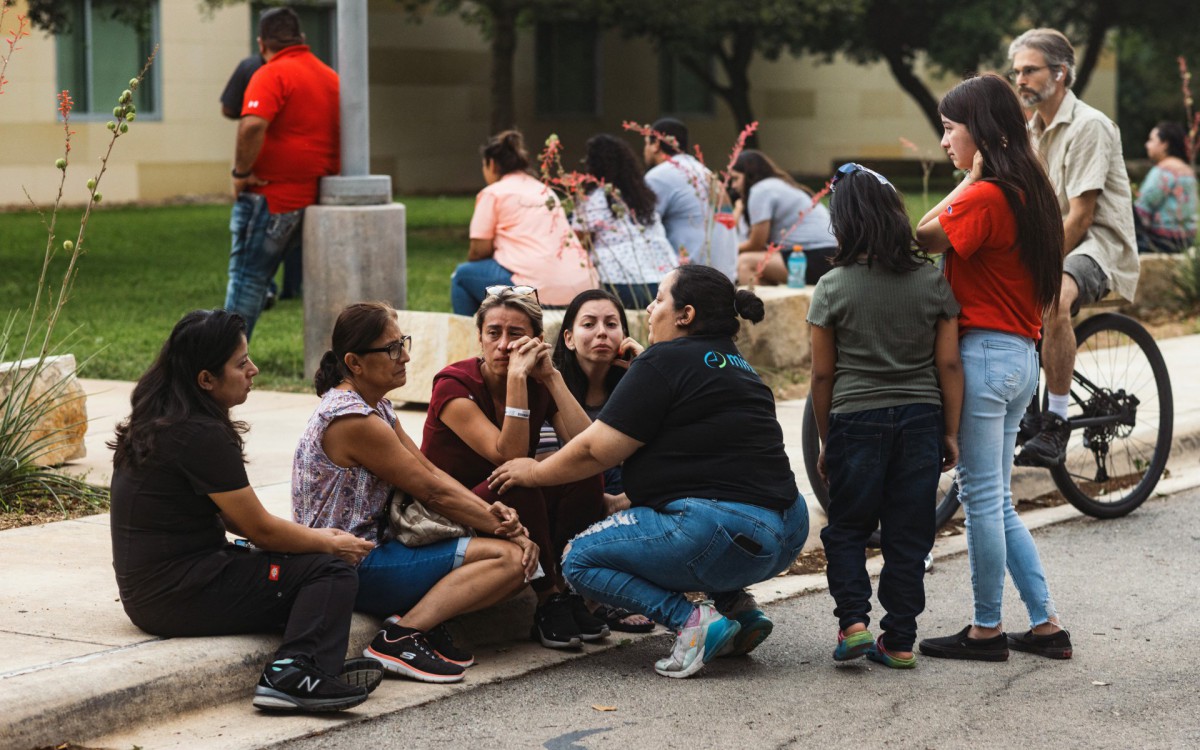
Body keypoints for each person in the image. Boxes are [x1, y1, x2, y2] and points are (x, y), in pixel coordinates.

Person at [488, 265, 809, 679]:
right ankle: (739, 613)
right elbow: (701, 465)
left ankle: (691, 622)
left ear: (685, 315)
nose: (651, 308)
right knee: (680, 529)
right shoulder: (737, 363)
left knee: (579, 559)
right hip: (786, 533)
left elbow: (594, 450)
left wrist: (532, 472)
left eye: (659, 299)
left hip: (722, 532)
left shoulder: (664, 359)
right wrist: (622, 502)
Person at [108, 310, 379, 714]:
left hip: (158, 590)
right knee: (329, 570)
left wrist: (301, 545)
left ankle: (317, 664)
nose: (253, 370)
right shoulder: (200, 434)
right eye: (240, 363)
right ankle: (294, 674)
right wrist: (328, 541)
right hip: (177, 595)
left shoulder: (167, 418)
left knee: (299, 565)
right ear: (206, 380)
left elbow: (238, 520)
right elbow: (260, 530)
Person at [292, 302, 537, 684]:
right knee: (511, 560)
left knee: (513, 554)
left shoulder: (377, 408)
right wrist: (509, 531)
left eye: (401, 342)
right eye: (392, 349)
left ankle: (409, 621)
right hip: (348, 564)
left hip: (377, 549)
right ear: (355, 363)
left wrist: (496, 516)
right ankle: (399, 638)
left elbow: (430, 471)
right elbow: (431, 492)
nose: (405, 356)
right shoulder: (353, 419)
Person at [915, 73, 1073, 662]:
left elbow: (917, 240)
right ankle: (1045, 626)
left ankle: (985, 630)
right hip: (1019, 359)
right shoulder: (1031, 190)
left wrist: (968, 183)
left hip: (983, 358)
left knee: (981, 499)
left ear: (979, 132)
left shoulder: (986, 196)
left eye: (950, 128)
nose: (943, 141)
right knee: (994, 498)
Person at [808, 163, 963, 669]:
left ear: (845, 222)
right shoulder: (932, 282)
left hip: (856, 420)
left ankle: (853, 624)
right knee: (908, 534)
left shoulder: (832, 287)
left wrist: (828, 440)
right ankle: (898, 641)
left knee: (848, 528)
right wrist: (951, 431)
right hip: (920, 420)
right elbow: (948, 363)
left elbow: (822, 377)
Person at [421, 286, 609, 649]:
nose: (504, 345)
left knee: (584, 475)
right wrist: (519, 380)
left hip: (510, 509)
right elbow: (507, 455)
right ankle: (548, 597)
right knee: (516, 478)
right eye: (493, 333)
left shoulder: (539, 381)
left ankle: (569, 585)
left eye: (516, 334)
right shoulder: (454, 385)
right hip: (452, 512)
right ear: (479, 337)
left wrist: (551, 376)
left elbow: (589, 447)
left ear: (538, 341)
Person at [1007, 28, 1139, 468]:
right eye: (1017, 71)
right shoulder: (1029, 132)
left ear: (1060, 73)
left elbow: (1081, 216)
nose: (1020, 79)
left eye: (1030, 70)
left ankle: (1057, 422)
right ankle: (1024, 405)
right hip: (1058, 241)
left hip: (1099, 245)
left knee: (1051, 296)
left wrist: (1037, 266)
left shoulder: (1090, 127)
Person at [226, 7, 339, 339]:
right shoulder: (330, 76)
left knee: (248, 279)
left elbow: (250, 127)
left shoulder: (270, 73)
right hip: (312, 200)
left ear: (262, 44)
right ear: (302, 39)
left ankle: (223, 361)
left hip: (270, 199)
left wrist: (240, 173)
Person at [548, 288, 655, 633]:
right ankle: (594, 594)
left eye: (612, 324)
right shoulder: (553, 385)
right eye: (589, 324)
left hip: (625, 491)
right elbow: (576, 452)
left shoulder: (635, 383)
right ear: (568, 337)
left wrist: (644, 368)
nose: (601, 333)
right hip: (577, 485)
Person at [451, 130, 596, 316]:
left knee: (461, 276)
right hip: (581, 285)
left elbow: (478, 251)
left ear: (492, 164)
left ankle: (472, 342)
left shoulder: (493, 192)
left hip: (536, 289)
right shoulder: (545, 191)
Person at [219, 53, 298, 308]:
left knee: (257, 229)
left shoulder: (251, 66)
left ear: (262, 42)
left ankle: (266, 288)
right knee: (290, 223)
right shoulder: (302, 70)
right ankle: (291, 286)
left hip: (259, 165)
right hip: (293, 167)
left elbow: (230, 110)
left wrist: (240, 174)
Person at [573, 134, 678, 308]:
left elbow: (579, 243)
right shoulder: (643, 197)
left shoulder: (595, 199)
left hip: (622, 284)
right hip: (665, 284)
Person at [642, 117, 739, 281]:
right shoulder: (704, 171)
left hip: (692, 277)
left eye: (646, 143)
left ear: (656, 144)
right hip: (726, 273)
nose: (644, 150)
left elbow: (643, 228)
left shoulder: (658, 176)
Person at [731, 149, 837, 286]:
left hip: (815, 256)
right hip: (829, 255)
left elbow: (756, 243)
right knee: (759, 269)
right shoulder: (780, 184)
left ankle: (753, 307)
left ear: (749, 175)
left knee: (744, 263)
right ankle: (767, 306)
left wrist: (727, 249)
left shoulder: (760, 190)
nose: (733, 185)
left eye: (736, 178)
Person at [1134, 121, 1197, 253]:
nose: (1147, 145)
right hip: (1187, 240)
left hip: (1162, 242)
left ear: (1164, 144)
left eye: (1151, 140)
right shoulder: (1188, 171)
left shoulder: (1163, 171)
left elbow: (1142, 209)